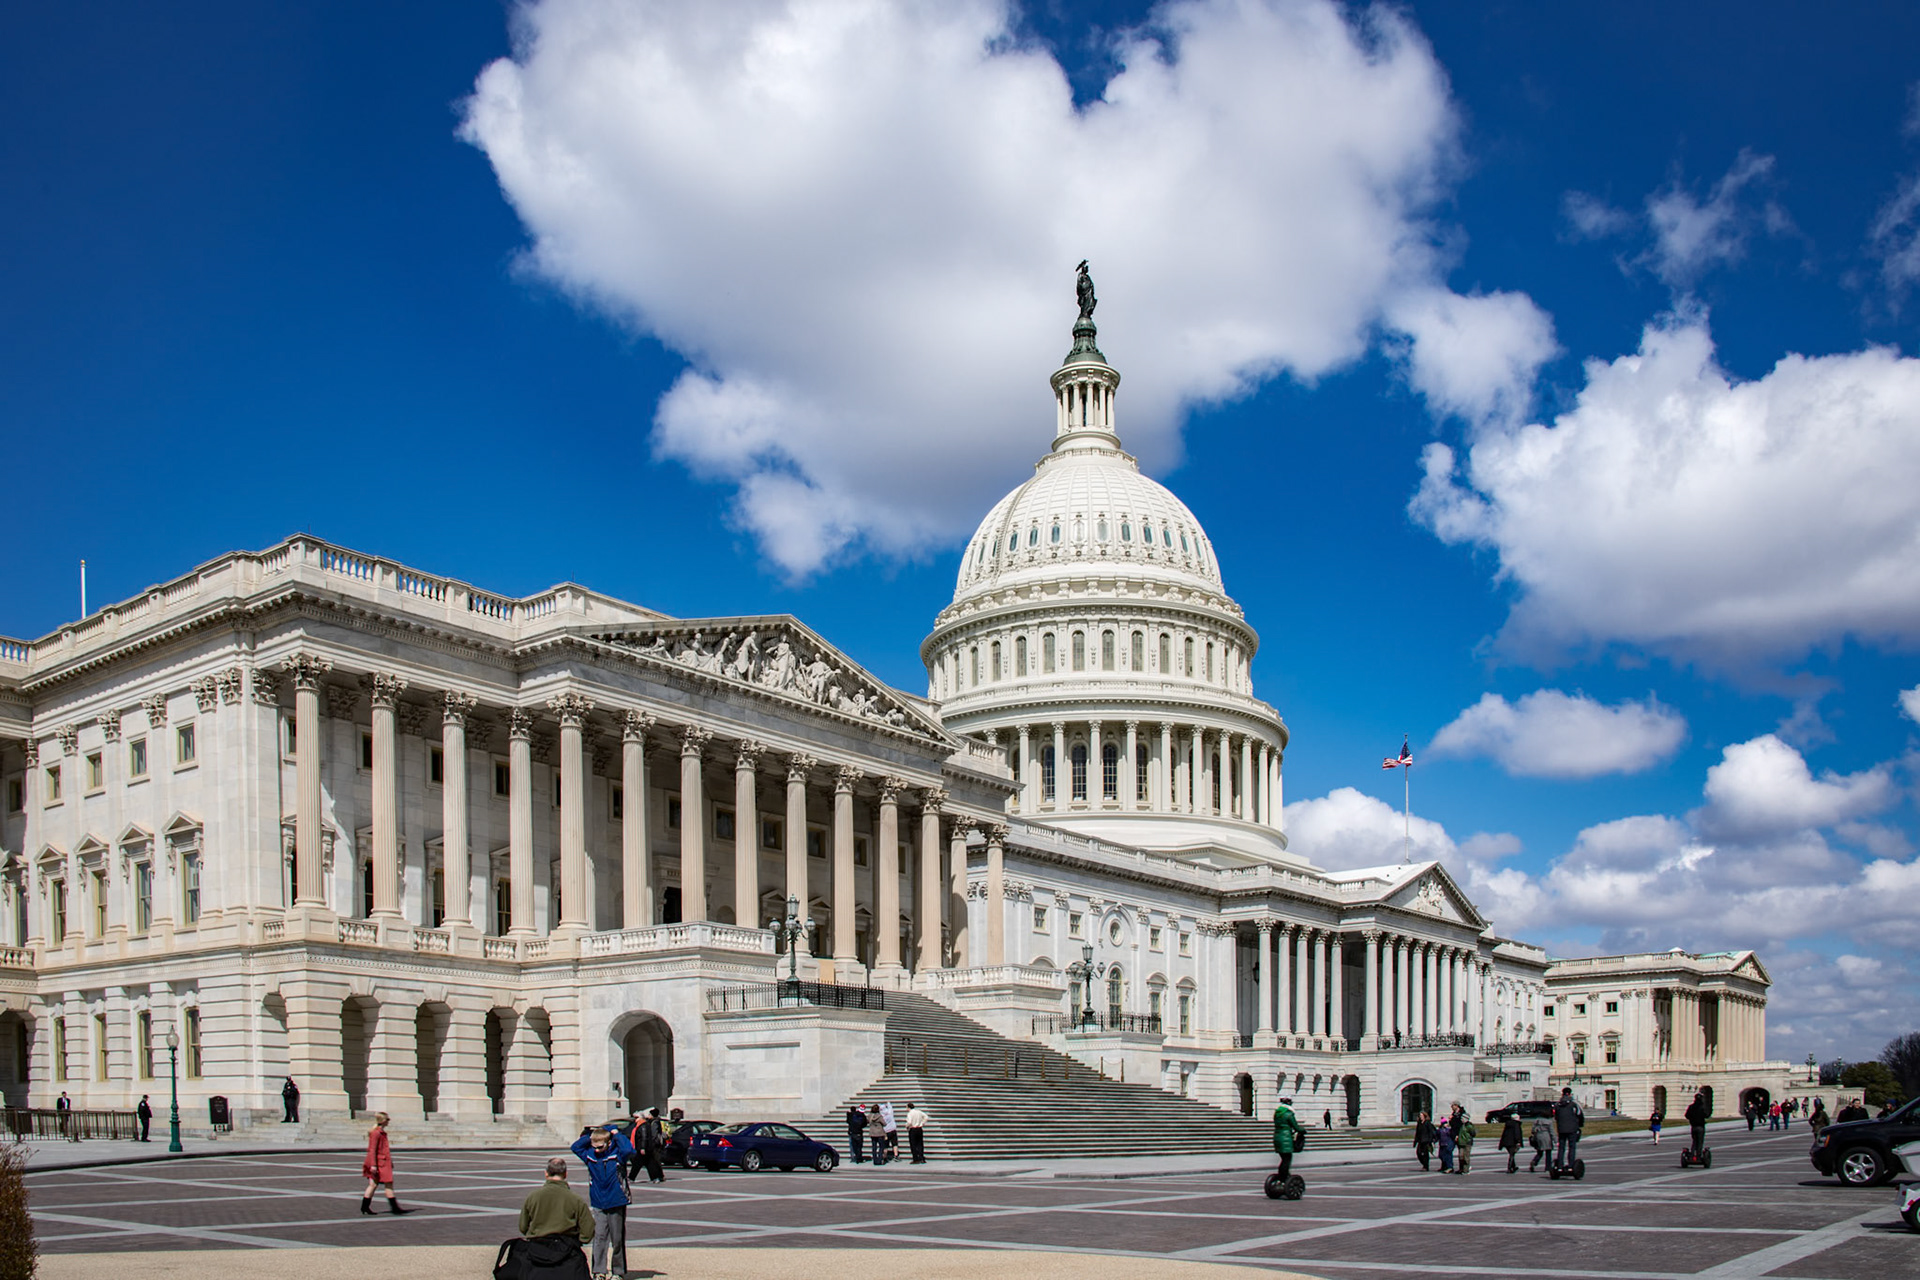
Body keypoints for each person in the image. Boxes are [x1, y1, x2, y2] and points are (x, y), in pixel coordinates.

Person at [571, 1124, 634, 1280]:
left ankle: (618, 1271)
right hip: (599, 1201)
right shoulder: (590, 1155)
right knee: (599, 1237)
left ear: (609, 1143)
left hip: (616, 1200)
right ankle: (598, 1270)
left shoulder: (617, 1155)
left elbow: (629, 1150)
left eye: (600, 1147)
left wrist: (615, 1133)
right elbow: (575, 1147)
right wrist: (592, 1134)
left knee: (617, 1238)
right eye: (595, 1147)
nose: (597, 1150)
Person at [518, 1156, 595, 1280]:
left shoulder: (533, 1197)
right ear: (565, 1174)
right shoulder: (575, 1199)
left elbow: (523, 1226)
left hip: (538, 1249)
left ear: (546, 1174)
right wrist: (579, 1241)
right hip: (567, 1249)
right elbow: (588, 1229)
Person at [360, 1111, 409, 1215]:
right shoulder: (376, 1133)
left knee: (373, 1185)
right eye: (387, 1119)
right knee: (387, 1184)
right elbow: (372, 1150)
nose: (389, 1121)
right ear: (382, 1121)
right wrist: (373, 1165)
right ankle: (395, 1208)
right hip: (379, 1163)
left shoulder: (380, 1132)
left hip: (382, 1162)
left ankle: (365, 1207)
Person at [1272, 1094, 1306, 1184]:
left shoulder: (1277, 1113)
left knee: (1283, 1159)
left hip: (1277, 1137)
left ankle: (1282, 1175)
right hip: (1286, 1139)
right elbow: (1296, 1127)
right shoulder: (1288, 1114)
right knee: (1287, 1159)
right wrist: (1303, 1130)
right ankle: (1284, 1176)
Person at [1553, 1088, 1583, 1172]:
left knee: (1561, 1148)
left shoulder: (1557, 1105)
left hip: (1561, 1129)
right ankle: (1570, 1166)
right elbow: (1580, 1116)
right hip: (1572, 1129)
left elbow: (1556, 1117)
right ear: (1570, 1094)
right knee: (1572, 1147)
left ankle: (1559, 1166)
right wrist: (1579, 1125)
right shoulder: (1573, 1105)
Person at [633, 1109, 666, 1184]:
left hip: (651, 1146)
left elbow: (645, 1137)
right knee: (649, 1162)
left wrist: (644, 1147)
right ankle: (657, 1177)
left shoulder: (648, 1124)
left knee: (652, 1162)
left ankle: (658, 1176)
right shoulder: (647, 1123)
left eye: (636, 1118)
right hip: (648, 1146)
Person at [1683, 1089, 1709, 1162]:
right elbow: (1706, 1115)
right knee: (1700, 1142)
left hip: (1693, 1126)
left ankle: (1691, 1155)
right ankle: (1698, 1156)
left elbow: (1687, 1115)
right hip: (1700, 1126)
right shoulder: (1702, 1107)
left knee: (1694, 1141)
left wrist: (1692, 1118)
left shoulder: (1691, 1107)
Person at [1454, 1108, 1477, 1176]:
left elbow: (1473, 1133)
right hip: (1461, 1143)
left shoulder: (1469, 1126)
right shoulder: (1461, 1125)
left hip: (1467, 1143)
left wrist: (1468, 1138)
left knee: (1466, 1157)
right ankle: (1461, 1169)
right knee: (1461, 1156)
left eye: (1462, 1118)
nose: (1461, 1119)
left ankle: (1466, 1169)